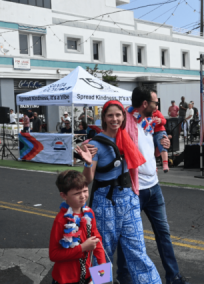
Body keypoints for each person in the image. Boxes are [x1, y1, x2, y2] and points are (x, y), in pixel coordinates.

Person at [76, 100, 161, 284]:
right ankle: (102, 283)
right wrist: (88, 161)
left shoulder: (127, 137)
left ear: (123, 117)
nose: (114, 119)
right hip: (105, 203)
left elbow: (148, 133)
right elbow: (88, 180)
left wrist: (164, 142)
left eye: (118, 115)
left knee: (137, 251)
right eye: (110, 115)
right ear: (104, 119)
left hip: (129, 199)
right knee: (102, 252)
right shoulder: (94, 144)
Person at [116, 87, 189, 284]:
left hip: (154, 187)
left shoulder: (149, 121)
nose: (158, 107)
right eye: (155, 103)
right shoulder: (124, 121)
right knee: (128, 238)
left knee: (163, 234)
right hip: (133, 189)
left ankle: (173, 277)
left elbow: (151, 148)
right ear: (145, 104)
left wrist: (162, 145)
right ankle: (124, 278)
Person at [50, 170, 106, 284]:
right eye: (76, 193)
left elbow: (97, 240)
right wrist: (82, 248)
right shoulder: (61, 220)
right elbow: (54, 255)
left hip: (87, 275)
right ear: (64, 195)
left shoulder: (89, 213)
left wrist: (102, 267)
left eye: (85, 191)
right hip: (65, 279)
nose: (82, 196)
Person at [152, 107, 169, 173]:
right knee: (151, 150)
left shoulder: (158, 112)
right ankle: (153, 166)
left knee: (163, 147)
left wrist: (160, 120)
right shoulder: (147, 114)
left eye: (156, 104)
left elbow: (164, 121)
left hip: (160, 132)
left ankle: (165, 164)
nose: (155, 106)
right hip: (151, 134)